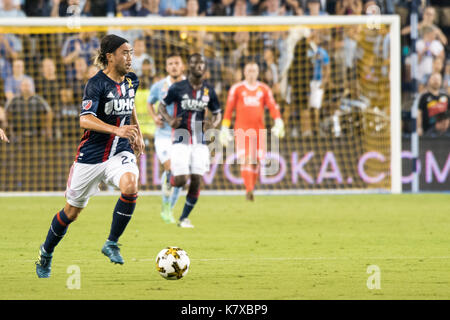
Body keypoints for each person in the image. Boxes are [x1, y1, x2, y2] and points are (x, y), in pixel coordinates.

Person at [35, 34, 145, 278]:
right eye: (125, 52)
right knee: (71, 213)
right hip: (91, 156)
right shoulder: (96, 84)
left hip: (120, 151)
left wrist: (137, 132)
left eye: (131, 52)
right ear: (110, 56)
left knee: (130, 186)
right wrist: (118, 129)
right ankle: (46, 252)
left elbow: (130, 103)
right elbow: (85, 120)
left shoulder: (131, 80)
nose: (129, 57)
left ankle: (112, 243)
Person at [158, 53, 222, 228]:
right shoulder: (178, 87)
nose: (199, 67)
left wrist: (213, 124)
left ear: (205, 68)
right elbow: (161, 105)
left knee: (196, 179)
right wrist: (170, 120)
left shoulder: (209, 90)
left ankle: (183, 218)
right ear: (189, 67)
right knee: (181, 180)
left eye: (202, 64)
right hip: (181, 137)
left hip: (200, 141)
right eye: (195, 64)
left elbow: (217, 113)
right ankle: (170, 179)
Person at [220, 62, 284, 201]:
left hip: (259, 131)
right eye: (249, 70)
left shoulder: (264, 89)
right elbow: (229, 110)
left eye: (254, 70)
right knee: (247, 159)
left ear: (258, 72)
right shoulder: (237, 89)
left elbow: (272, 106)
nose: (251, 73)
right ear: (244, 72)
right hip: (242, 131)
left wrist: (278, 120)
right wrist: (224, 127)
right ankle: (249, 190)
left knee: (256, 161)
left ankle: (251, 188)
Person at [147, 53, 185, 223]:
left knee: (180, 176)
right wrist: (154, 117)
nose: (174, 66)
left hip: (183, 135)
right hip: (163, 135)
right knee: (170, 168)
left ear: (182, 66)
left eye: (177, 63)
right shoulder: (159, 86)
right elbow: (150, 102)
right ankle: (166, 205)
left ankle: (168, 208)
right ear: (167, 67)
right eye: (170, 63)